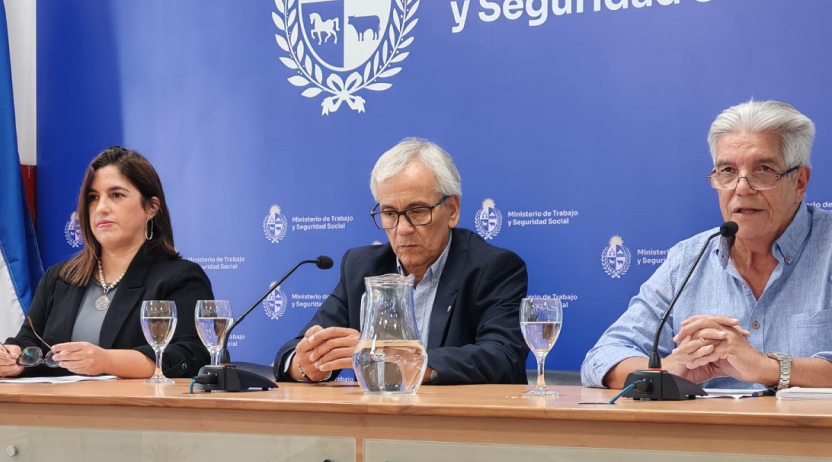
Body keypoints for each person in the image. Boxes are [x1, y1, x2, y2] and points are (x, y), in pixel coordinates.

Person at [582, 100, 832, 390]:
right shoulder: (688, 259)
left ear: (799, 182)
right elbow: (601, 359)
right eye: (727, 170)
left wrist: (764, 367)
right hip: (705, 435)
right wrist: (666, 371)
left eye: (763, 169)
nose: (741, 187)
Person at [273, 138, 529, 385]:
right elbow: (295, 351)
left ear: (452, 210)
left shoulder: (493, 267)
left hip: (459, 424)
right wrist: (306, 364)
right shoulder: (361, 267)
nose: (402, 228)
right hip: (376, 425)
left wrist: (393, 358)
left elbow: (503, 358)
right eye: (389, 213)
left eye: (417, 211)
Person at [0, 146, 212, 378]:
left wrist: (107, 361)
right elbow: (29, 342)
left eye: (116, 195)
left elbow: (191, 357)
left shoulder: (181, 278)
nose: (101, 208)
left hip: (137, 411)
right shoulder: (59, 277)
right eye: (93, 198)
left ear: (151, 207)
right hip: (59, 411)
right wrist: (13, 357)